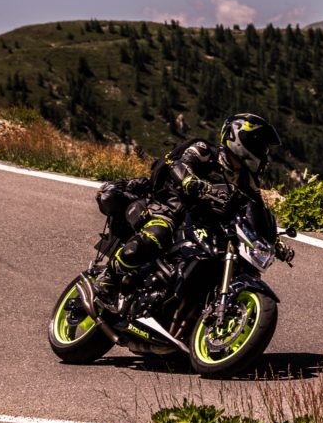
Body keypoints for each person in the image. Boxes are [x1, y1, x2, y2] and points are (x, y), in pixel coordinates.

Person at [94, 112, 286, 310]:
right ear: (237, 136)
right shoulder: (205, 151)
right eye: (259, 144)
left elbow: (255, 208)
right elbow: (180, 163)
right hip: (171, 207)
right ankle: (108, 278)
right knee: (157, 233)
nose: (263, 152)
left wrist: (272, 240)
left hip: (205, 224)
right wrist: (190, 181)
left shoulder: (247, 180)